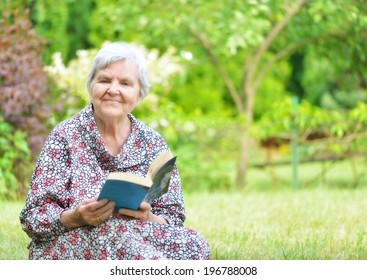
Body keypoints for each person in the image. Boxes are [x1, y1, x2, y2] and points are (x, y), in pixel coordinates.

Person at [19, 41, 210, 260]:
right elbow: (33, 217)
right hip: (75, 238)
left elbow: (173, 217)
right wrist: (76, 217)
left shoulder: (152, 141)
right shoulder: (65, 136)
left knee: (195, 243)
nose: (113, 90)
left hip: (139, 233)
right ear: (92, 86)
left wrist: (148, 217)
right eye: (104, 80)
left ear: (139, 94)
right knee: (114, 234)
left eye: (125, 83)